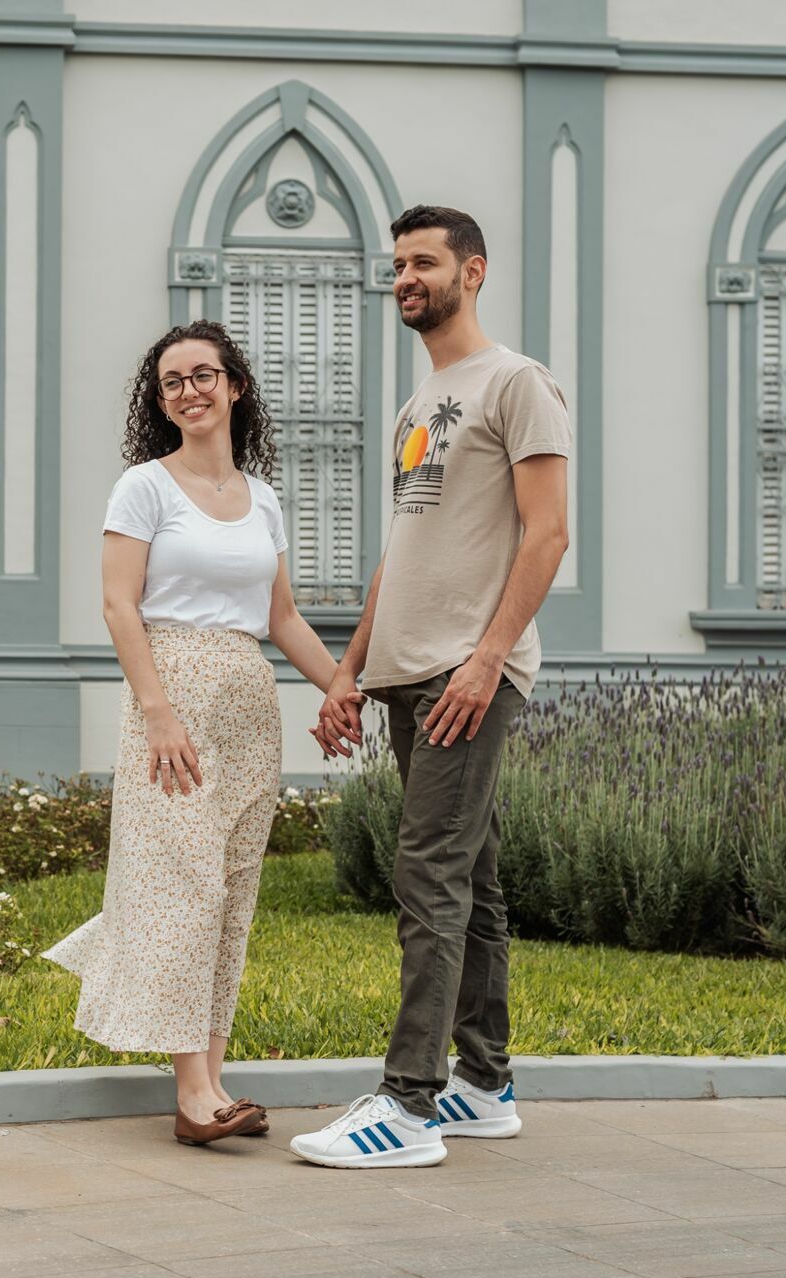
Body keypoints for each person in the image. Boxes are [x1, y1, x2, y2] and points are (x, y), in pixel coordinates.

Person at [289, 205, 572, 1169]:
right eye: (397, 264)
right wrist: (349, 670)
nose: (405, 277)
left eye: (424, 262)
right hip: (409, 673)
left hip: (466, 674)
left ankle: (409, 1104)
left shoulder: (518, 384)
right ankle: (483, 1087)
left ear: (474, 271)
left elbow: (548, 535)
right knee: (473, 882)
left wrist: (489, 657)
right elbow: (402, 554)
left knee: (429, 878)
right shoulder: (422, 403)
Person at [44, 320, 343, 1147]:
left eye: (203, 374)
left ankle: (214, 1078)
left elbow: (282, 617)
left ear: (235, 386)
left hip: (247, 697)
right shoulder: (143, 487)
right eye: (172, 381)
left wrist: (342, 689)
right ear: (161, 400)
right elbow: (118, 606)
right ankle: (191, 1095)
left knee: (233, 890)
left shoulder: (264, 499)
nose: (189, 390)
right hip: (170, 692)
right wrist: (158, 712)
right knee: (182, 887)